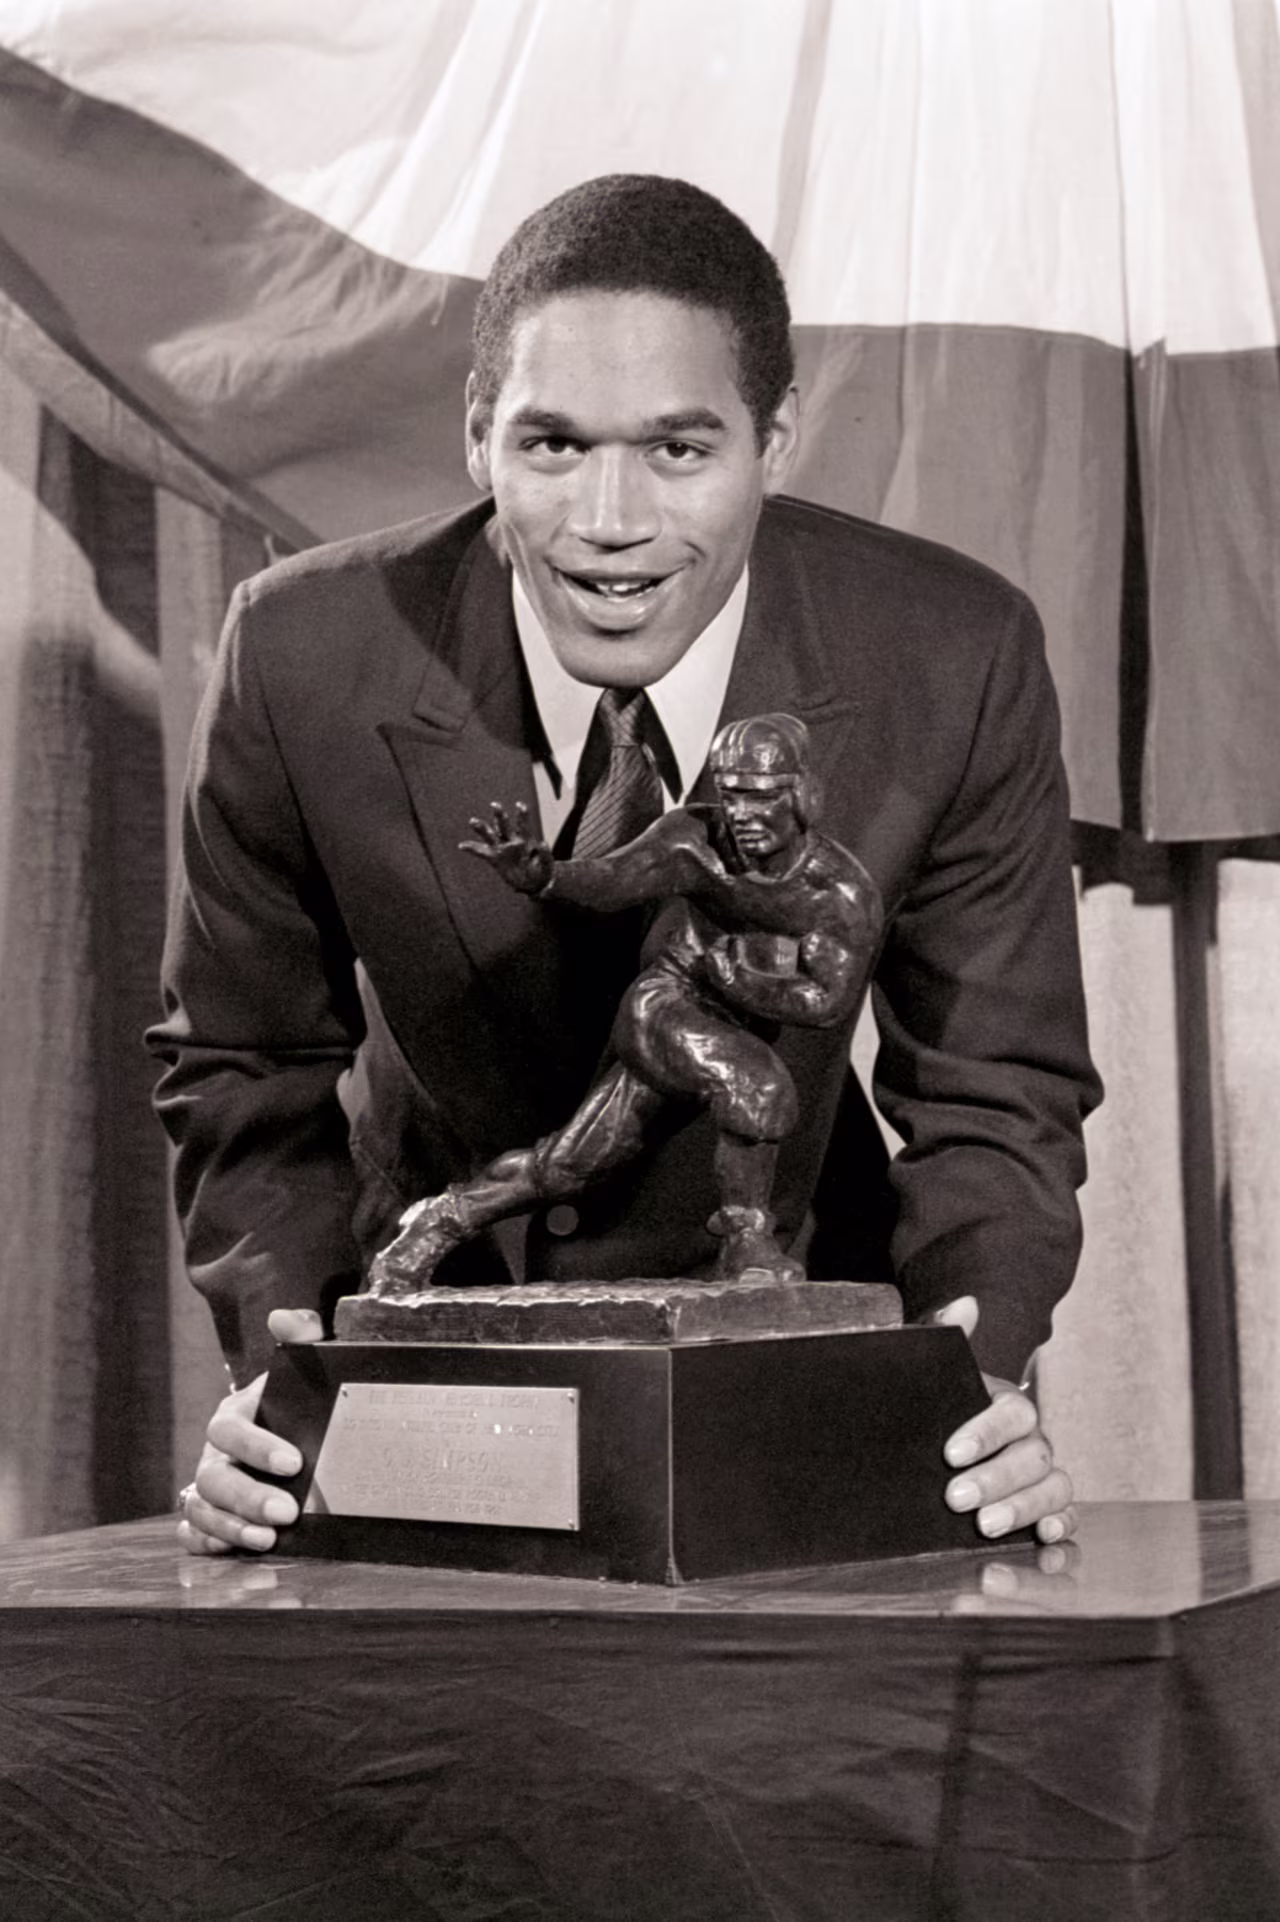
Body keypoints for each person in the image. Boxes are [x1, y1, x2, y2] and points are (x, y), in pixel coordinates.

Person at [150, 173, 1100, 1559]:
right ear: (479, 437)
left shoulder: (953, 655)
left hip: (793, 1361)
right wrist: (285, 1359)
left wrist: (972, 1368)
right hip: (429, 1372)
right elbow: (240, 1060)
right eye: (552, 445)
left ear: (774, 439)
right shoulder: (298, 654)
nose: (610, 518)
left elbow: (998, 1085)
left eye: (676, 449)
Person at [369, 712, 885, 1295]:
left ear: (802, 796)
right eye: (731, 794)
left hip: (720, 1012)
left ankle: (437, 1221)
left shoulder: (837, 894)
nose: (742, 815)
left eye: (762, 797)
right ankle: (749, 1243)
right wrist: (547, 878)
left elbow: (826, 1001)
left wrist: (742, 984)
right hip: (666, 1002)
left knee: (570, 1166)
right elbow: (614, 877)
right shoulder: (693, 840)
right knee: (757, 1085)